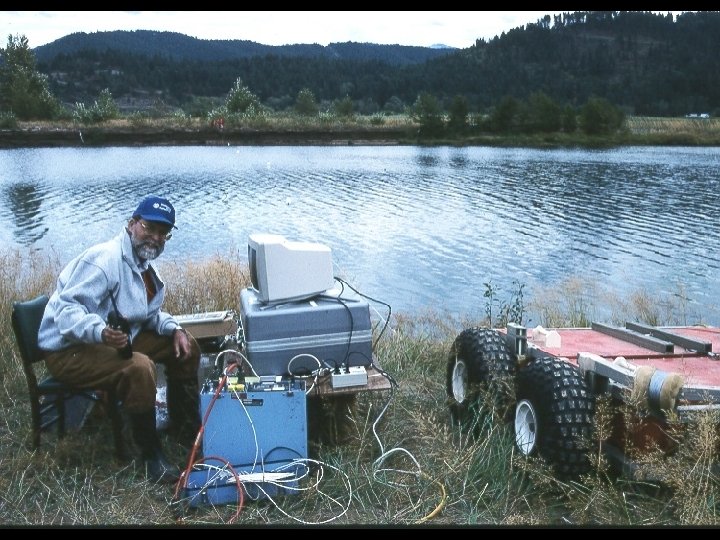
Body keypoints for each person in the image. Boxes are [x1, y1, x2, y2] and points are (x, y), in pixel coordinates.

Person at [38, 195, 201, 484]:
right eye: (149, 228)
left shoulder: (144, 267)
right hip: (69, 351)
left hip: (109, 343)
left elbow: (150, 316)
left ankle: (184, 427)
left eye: (163, 232)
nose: (156, 237)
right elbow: (66, 313)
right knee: (138, 367)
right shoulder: (105, 260)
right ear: (131, 225)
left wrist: (174, 328)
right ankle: (150, 454)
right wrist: (100, 331)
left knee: (186, 346)